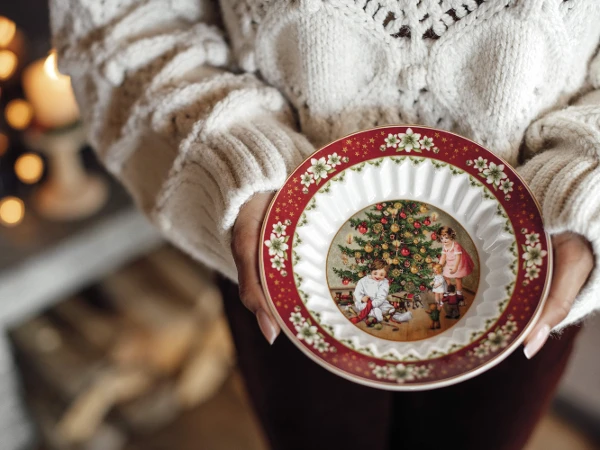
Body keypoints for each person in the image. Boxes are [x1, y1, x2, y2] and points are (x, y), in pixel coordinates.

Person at [49, 1, 599, 448]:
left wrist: (586, 183)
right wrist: (233, 151)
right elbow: (123, 17)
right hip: (283, 252)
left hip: (528, 266)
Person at [437, 226, 475, 303]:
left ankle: (459, 294)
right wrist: (440, 265)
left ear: (451, 236)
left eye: (446, 238)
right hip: (450, 262)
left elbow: (458, 257)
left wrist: (455, 267)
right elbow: (443, 257)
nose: (444, 240)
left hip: (458, 264)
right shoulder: (444, 246)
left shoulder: (456, 246)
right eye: (442, 238)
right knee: (446, 276)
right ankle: (450, 291)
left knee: (458, 278)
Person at [351, 260, 395, 325]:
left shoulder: (384, 283)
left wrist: (372, 304)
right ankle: (374, 312)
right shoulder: (363, 281)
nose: (378, 276)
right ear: (371, 271)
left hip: (378, 302)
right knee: (361, 306)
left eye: (381, 275)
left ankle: (375, 311)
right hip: (365, 302)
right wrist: (362, 298)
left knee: (390, 309)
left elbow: (381, 297)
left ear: (385, 275)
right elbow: (357, 292)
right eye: (375, 273)